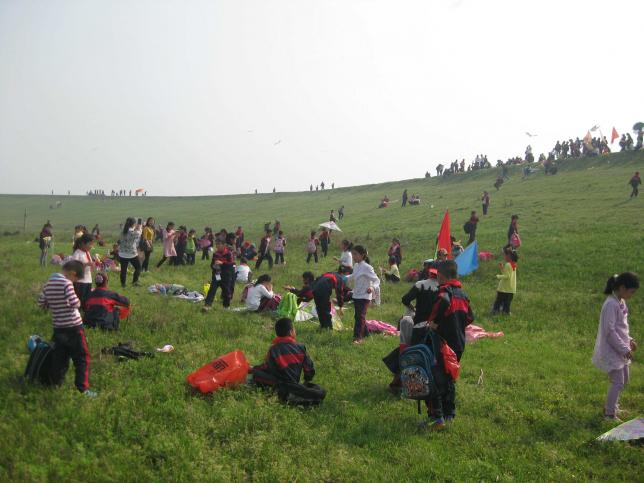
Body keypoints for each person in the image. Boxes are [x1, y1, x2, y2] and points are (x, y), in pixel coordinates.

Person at [424, 260, 474, 428]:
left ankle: (436, 417)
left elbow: (443, 302)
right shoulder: (463, 295)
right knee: (449, 378)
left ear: (441, 276)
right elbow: (470, 318)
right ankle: (449, 413)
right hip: (458, 343)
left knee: (435, 377)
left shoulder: (444, 292)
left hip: (443, 344)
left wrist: (435, 322)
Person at [37, 260, 96, 397]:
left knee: (60, 357)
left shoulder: (48, 284)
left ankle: (55, 383)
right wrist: (78, 301)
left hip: (58, 327)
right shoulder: (67, 284)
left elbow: (42, 303)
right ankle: (82, 388)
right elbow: (75, 303)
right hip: (74, 327)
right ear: (72, 274)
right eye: (75, 280)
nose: (74, 282)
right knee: (82, 357)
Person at [592, 272, 639, 421]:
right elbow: (609, 331)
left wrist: (629, 340)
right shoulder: (611, 304)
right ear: (622, 288)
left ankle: (613, 406)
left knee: (624, 380)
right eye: (631, 292)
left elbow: (621, 327)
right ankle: (609, 414)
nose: (632, 295)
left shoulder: (620, 301)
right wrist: (624, 349)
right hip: (613, 350)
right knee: (617, 381)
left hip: (621, 348)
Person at [250, 318, 315, 390]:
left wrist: (253, 369)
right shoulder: (301, 347)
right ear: (291, 332)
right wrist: (306, 380)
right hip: (294, 384)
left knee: (255, 374)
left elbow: (266, 367)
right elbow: (309, 367)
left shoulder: (273, 349)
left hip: (278, 384)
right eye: (294, 329)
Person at [346, 245, 380, 344]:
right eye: (352, 254)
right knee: (358, 316)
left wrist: (372, 288)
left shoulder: (367, 267)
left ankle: (358, 338)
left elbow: (377, 280)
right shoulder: (356, 266)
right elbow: (353, 276)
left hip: (365, 296)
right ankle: (366, 333)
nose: (353, 256)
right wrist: (343, 278)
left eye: (355, 254)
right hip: (357, 295)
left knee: (360, 316)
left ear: (362, 255)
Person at [203, 239, 236, 311]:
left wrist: (222, 263)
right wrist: (213, 266)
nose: (217, 246)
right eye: (216, 244)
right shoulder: (215, 254)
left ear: (224, 245)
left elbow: (231, 265)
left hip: (226, 276)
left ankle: (226, 306)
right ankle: (207, 305)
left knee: (226, 291)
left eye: (219, 244)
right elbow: (212, 264)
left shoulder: (229, 253)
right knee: (212, 289)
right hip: (217, 274)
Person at [71, 234, 95, 308]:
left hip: (88, 280)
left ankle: (85, 312)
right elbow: (74, 267)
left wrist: (92, 265)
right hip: (80, 282)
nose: (91, 246)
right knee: (80, 300)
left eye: (92, 244)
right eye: (89, 244)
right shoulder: (77, 253)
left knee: (86, 300)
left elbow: (89, 266)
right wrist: (86, 264)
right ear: (83, 243)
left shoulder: (87, 253)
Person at [491, 248, 518, 315]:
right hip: (511, 289)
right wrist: (502, 268)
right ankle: (506, 312)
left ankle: (495, 311)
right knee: (507, 303)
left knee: (498, 301)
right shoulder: (513, 264)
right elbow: (508, 274)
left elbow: (507, 276)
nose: (504, 257)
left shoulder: (508, 264)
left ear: (509, 256)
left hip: (504, 289)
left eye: (505, 255)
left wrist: (498, 276)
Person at [118, 217, 143, 288]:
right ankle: (135, 282)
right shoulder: (134, 232)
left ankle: (123, 285)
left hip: (122, 253)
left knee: (123, 270)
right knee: (138, 267)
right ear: (134, 224)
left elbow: (122, 227)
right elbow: (140, 232)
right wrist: (139, 227)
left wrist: (136, 227)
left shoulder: (123, 230)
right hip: (132, 254)